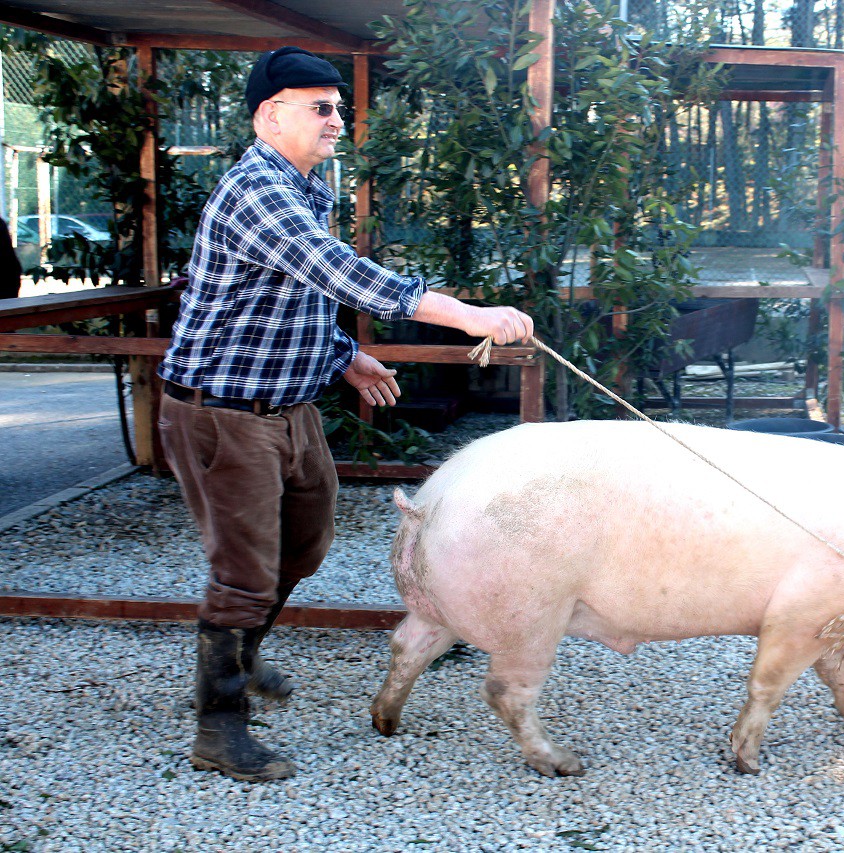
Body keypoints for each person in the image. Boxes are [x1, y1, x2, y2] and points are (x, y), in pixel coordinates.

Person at [157, 46, 533, 783]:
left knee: (304, 543)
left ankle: (241, 653)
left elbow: (291, 292)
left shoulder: (306, 184)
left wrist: (340, 355)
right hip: (222, 413)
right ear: (270, 115)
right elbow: (340, 273)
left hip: (286, 402)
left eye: (338, 108)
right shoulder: (255, 191)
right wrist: (465, 314)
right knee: (244, 573)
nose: (337, 120)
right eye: (319, 107)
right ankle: (218, 725)